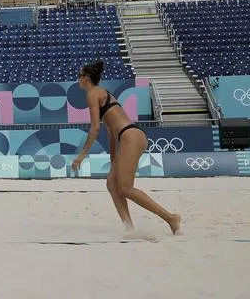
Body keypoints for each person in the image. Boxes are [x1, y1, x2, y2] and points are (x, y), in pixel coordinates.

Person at [71, 60, 181, 235]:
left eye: (79, 76)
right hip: (129, 136)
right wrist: (113, 159)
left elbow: (95, 128)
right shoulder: (103, 93)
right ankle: (128, 227)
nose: (77, 79)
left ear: (86, 78)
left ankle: (171, 218)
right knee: (112, 183)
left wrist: (81, 155)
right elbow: (110, 130)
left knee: (126, 188)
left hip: (130, 136)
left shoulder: (92, 93)